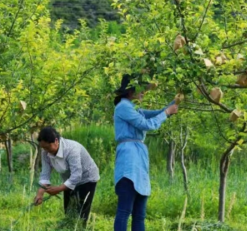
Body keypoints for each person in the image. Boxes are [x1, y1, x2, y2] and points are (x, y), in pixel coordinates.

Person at [113, 74, 179, 231]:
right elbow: (147, 124)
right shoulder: (123, 107)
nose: (144, 92)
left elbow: (158, 113)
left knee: (139, 214)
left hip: (139, 158)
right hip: (129, 159)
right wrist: (167, 113)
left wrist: (177, 100)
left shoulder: (134, 108)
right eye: (141, 89)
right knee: (125, 210)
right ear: (130, 91)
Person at [33, 126, 100, 225]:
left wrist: (59, 188)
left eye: (47, 147)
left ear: (56, 141)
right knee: (68, 211)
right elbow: (45, 173)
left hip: (87, 178)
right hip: (69, 179)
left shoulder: (71, 149)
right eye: (43, 147)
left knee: (80, 213)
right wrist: (40, 194)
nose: (46, 150)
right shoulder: (45, 152)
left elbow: (77, 175)